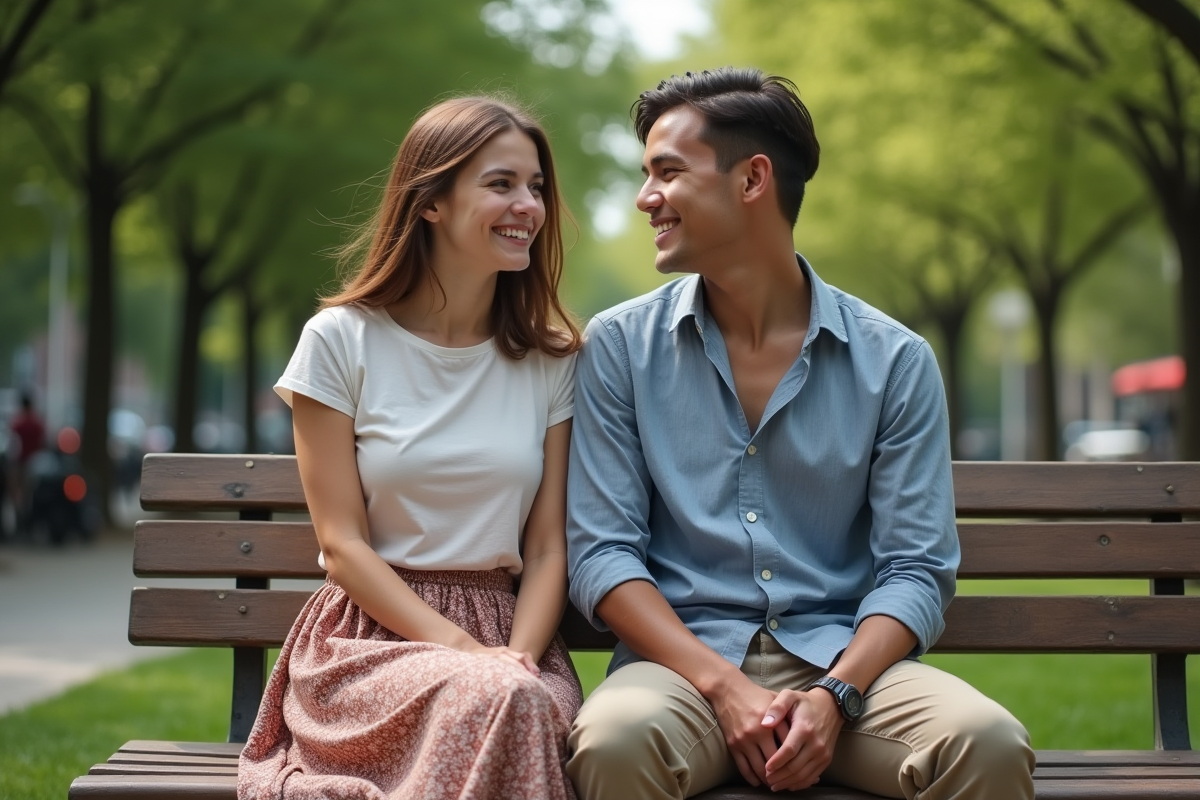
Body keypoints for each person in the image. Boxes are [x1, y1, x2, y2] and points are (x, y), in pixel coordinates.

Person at [565, 68, 1035, 799]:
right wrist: (723, 687)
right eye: (645, 174)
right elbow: (601, 554)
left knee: (988, 742)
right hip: (681, 676)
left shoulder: (895, 360)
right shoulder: (620, 348)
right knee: (615, 742)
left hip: (850, 674)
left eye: (668, 172)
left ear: (752, 181)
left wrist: (835, 697)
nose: (645, 197)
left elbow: (917, 568)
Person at [238, 96, 583, 800]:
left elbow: (548, 548)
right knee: (500, 700)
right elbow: (343, 548)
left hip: (511, 638)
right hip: (367, 645)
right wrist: (464, 654)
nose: (529, 205)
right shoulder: (341, 341)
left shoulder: (551, 360)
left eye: (537, 187)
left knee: (513, 698)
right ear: (431, 202)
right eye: (501, 184)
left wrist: (515, 654)